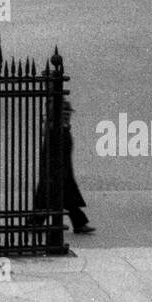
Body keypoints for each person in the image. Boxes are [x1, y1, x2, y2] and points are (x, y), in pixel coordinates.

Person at [30, 99, 95, 235]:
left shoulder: (58, 128)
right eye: (64, 113)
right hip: (56, 171)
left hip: (60, 171)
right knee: (52, 197)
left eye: (68, 113)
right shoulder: (57, 130)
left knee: (59, 197)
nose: (67, 115)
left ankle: (78, 223)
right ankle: (36, 223)